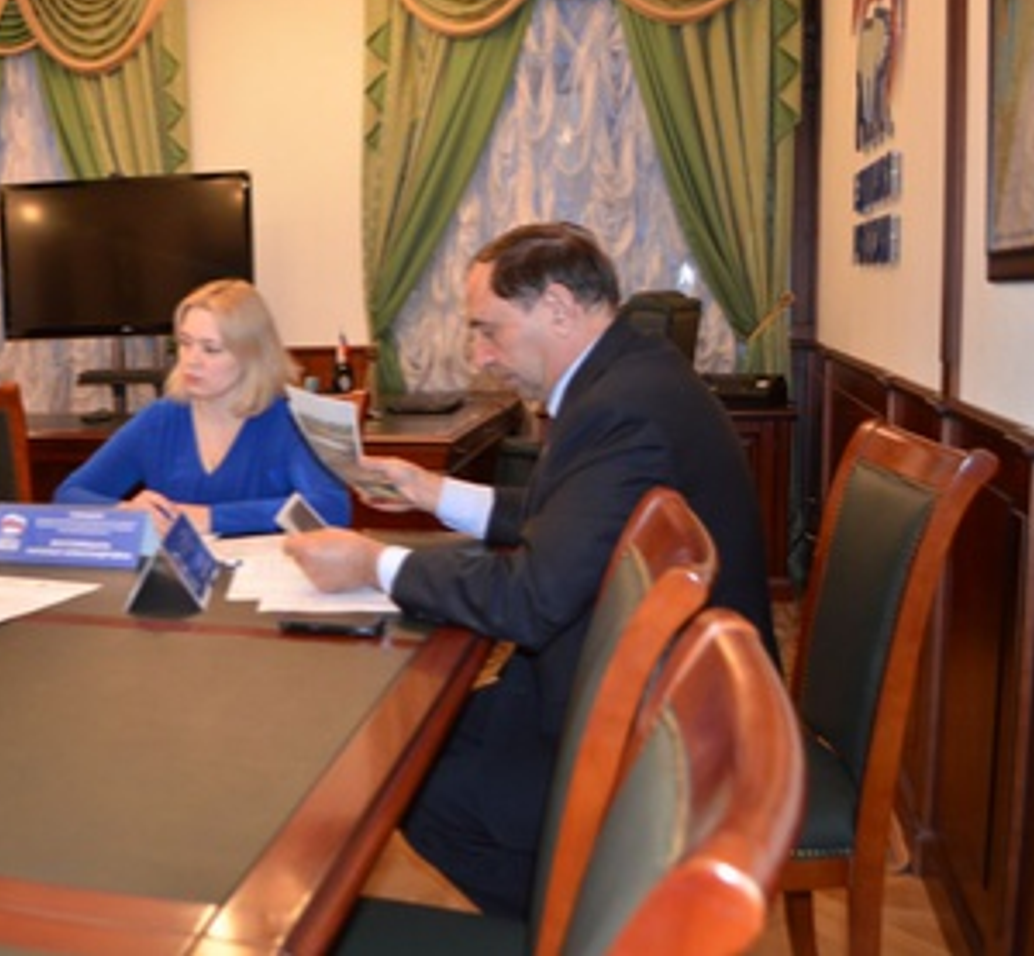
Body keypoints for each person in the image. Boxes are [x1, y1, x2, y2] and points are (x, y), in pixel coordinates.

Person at [283, 222, 778, 916]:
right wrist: (433, 493)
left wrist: (375, 562)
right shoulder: (632, 375)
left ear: (558, 307)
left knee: (396, 772)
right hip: (647, 688)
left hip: (663, 737)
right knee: (409, 734)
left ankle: (588, 923)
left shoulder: (619, 409)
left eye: (489, 331)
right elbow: (574, 517)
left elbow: (533, 599)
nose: (481, 356)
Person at [54, 278, 350, 537]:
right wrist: (125, 511)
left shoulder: (288, 421)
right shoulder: (160, 419)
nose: (191, 360)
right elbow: (69, 495)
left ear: (252, 355)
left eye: (211, 349)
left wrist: (211, 518)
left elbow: (330, 508)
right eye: (185, 343)